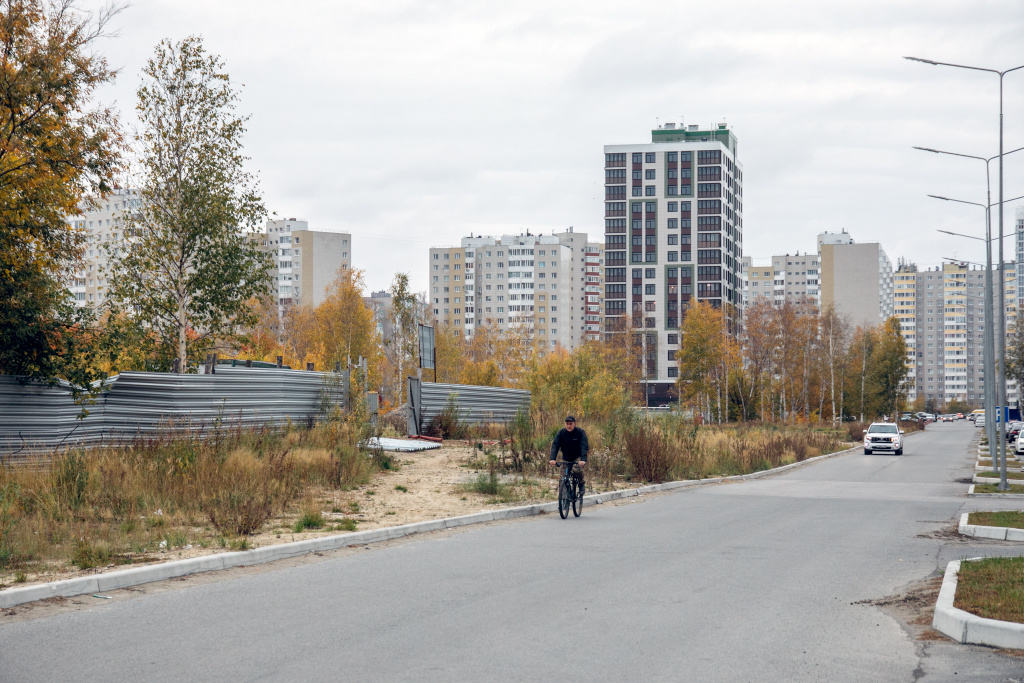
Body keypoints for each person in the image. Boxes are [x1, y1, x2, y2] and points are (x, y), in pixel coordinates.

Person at [550, 415, 588, 486]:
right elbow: (555, 445)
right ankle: (563, 493)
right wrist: (552, 459)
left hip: (577, 458)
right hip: (566, 458)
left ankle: (581, 485)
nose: (569, 426)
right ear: (565, 424)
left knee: (577, 470)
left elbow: (584, 446)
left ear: (575, 424)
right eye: (567, 424)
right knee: (562, 477)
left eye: (570, 424)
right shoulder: (561, 433)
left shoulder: (580, 432)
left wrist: (583, 459)